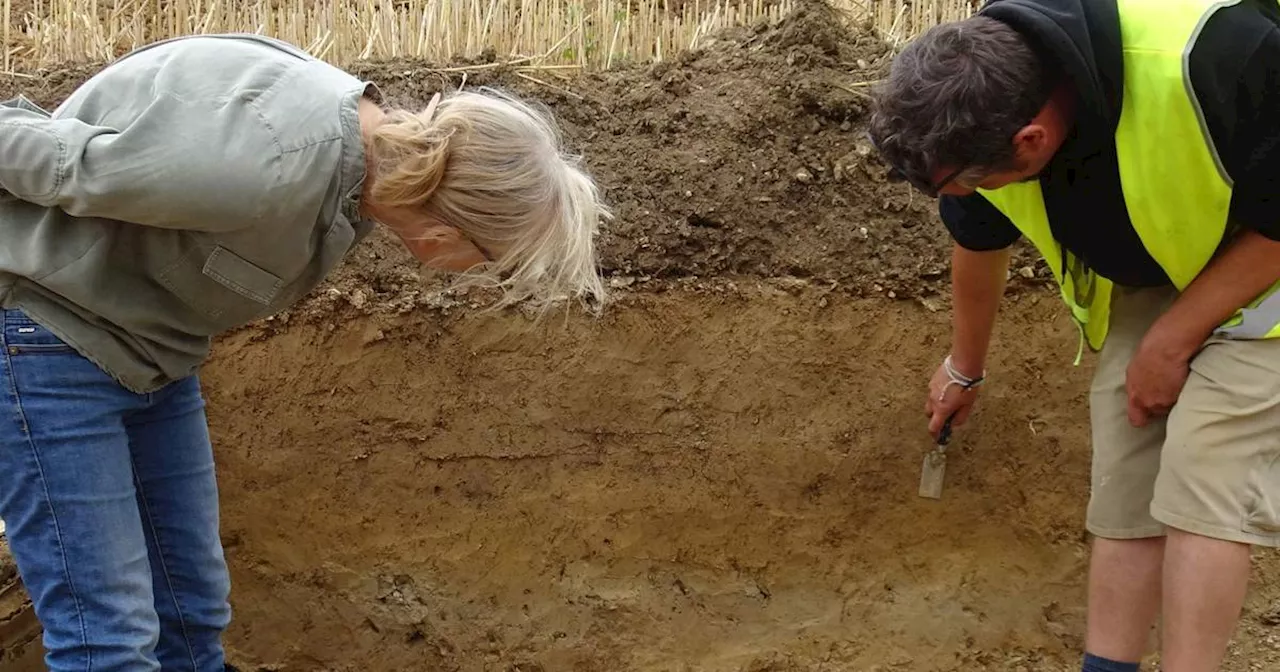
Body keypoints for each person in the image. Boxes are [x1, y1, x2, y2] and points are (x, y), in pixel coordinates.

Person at [0, 32, 607, 671]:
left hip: (151, 351)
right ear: (443, 232)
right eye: (489, 261)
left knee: (189, 615)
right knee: (109, 642)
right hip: (46, 340)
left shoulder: (361, 168)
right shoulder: (263, 169)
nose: (478, 275)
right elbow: (55, 159)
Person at [867, 0, 1280, 670]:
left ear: (1031, 139)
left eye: (974, 183)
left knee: (1208, 468)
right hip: (1174, 262)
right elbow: (977, 239)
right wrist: (964, 366)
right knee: (1127, 466)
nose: (968, 195)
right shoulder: (979, 112)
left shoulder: (1216, 57)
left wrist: (1173, 340)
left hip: (1270, 260)